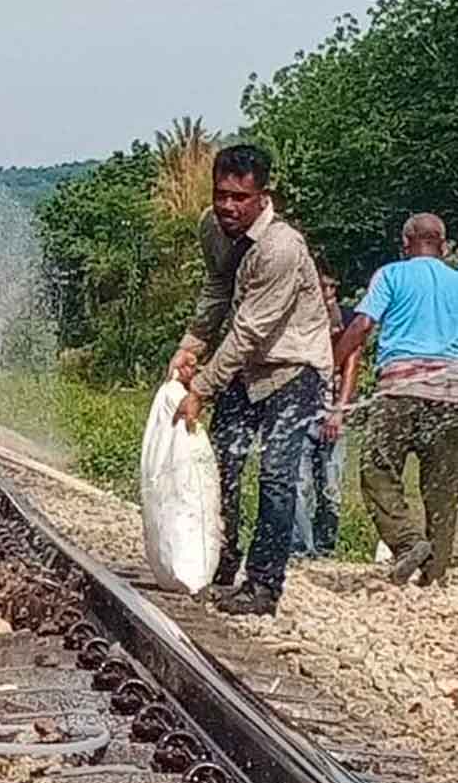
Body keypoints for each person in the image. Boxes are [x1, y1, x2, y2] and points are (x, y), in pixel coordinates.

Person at [168, 144, 333, 616]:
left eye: (240, 197)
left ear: (263, 196)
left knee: (277, 475)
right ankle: (217, 565)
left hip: (293, 366)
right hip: (245, 367)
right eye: (221, 194)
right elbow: (217, 288)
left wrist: (201, 388)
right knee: (219, 465)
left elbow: (250, 329)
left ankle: (263, 585)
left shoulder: (282, 248)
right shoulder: (212, 228)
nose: (228, 207)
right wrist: (191, 345)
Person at [333, 212, 458, 587]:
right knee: (443, 486)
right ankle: (433, 576)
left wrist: (332, 364)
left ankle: (407, 544)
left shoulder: (391, 275)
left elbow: (362, 325)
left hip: (399, 393)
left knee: (376, 470)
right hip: (451, 394)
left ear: (405, 245)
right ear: (445, 245)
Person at [291, 258, 357, 559]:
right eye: (323, 284)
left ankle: (326, 546)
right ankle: (300, 548)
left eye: (332, 285)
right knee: (300, 483)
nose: (328, 290)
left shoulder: (348, 319)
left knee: (331, 488)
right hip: (303, 411)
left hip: (333, 410)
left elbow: (351, 366)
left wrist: (340, 409)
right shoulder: (301, 318)